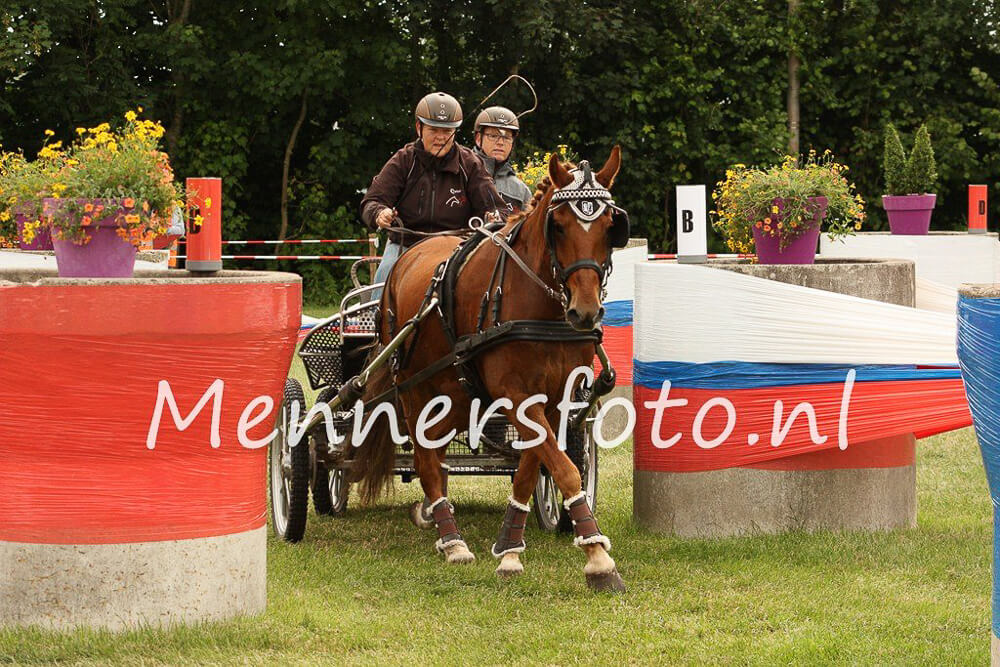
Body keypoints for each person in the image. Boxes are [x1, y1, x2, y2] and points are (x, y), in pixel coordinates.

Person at [360, 92, 506, 287]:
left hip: (457, 247)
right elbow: (371, 201)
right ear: (419, 128)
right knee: (382, 282)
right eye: (434, 130)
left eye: (447, 131)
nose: (441, 138)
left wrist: (494, 216)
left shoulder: (471, 164)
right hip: (405, 245)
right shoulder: (403, 160)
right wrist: (380, 213)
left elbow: (500, 209)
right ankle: (373, 315)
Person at [472, 106, 532, 214]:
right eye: (493, 136)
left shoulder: (521, 190)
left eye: (506, 137)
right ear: (478, 139)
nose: (500, 142)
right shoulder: (462, 175)